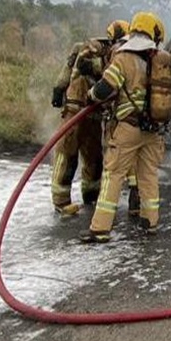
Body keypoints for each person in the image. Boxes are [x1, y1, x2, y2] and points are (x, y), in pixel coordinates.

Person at [81, 11, 171, 243]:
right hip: (153, 131)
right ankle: (150, 223)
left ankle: (100, 228)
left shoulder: (123, 58)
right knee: (148, 176)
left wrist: (90, 95)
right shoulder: (159, 60)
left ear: (134, 30)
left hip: (127, 129)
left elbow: (104, 90)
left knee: (113, 175)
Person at [48, 19, 129, 217]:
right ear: (115, 39)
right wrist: (59, 90)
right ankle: (61, 201)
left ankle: (91, 196)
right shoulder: (94, 47)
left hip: (94, 114)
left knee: (94, 156)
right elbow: (81, 65)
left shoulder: (115, 54)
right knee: (67, 153)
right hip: (76, 110)